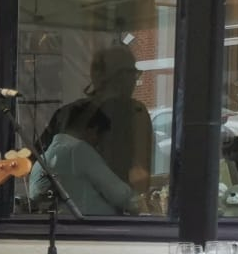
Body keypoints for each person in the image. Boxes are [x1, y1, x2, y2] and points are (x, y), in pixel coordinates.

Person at [40, 45, 153, 199]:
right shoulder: (136, 112)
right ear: (113, 77)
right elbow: (141, 177)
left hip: (73, 209)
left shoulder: (68, 113)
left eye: (135, 74)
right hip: (113, 210)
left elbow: (39, 166)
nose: (134, 80)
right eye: (131, 73)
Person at [30, 101, 140, 216]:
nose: (98, 145)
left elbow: (35, 196)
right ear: (92, 130)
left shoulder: (43, 158)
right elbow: (119, 194)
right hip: (94, 228)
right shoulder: (78, 150)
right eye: (99, 138)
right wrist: (140, 202)